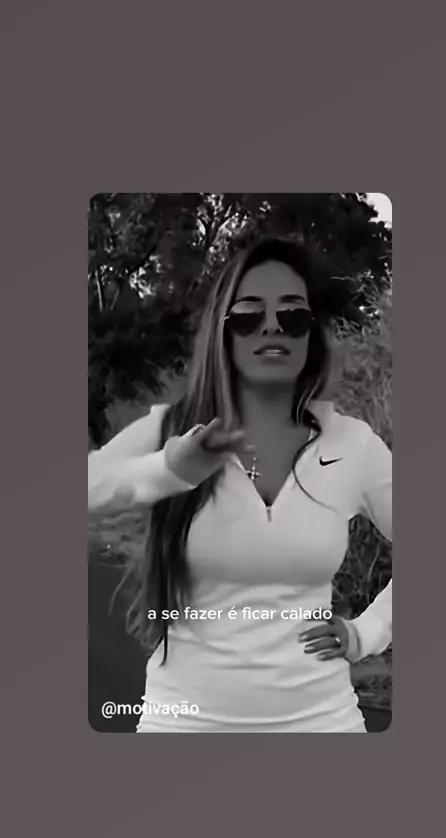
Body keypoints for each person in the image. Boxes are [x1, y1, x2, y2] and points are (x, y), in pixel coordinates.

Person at [88, 238, 392, 733]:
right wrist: (170, 470)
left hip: (323, 725)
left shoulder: (352, 444)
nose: (272, 326)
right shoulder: (169, 429)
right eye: (249, 315)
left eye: (292, 315)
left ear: (310, 336)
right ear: (222, 334)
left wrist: (367, 633)